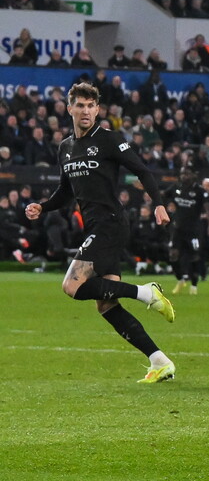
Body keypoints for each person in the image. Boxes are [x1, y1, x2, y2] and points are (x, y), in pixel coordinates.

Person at [23, 82, 177, 384]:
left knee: (72, 286)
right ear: (69, 109)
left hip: (110, 223)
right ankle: (160, 361)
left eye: (91, 106)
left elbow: (143, 171)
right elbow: (65, 192)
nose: (86, 111)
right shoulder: (65, 148)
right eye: (80, 105)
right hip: (96, 226)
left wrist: (158, 203)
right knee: (106, 303)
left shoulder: (108, 140)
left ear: (98, 110)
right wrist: (42, 207)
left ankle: (146, 292)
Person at [166, 166, 209, 295]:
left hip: (193, 230)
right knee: (172, 255)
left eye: (186, 174)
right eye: (182, 173)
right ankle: (181, 279)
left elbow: (207, 208)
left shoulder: (199, 191)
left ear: (193, 175)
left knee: (194, 256)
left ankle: (194, 284)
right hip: (178, 229)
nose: (183, 176)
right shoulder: (176, 187)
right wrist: (147, 188)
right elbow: (163, 195)